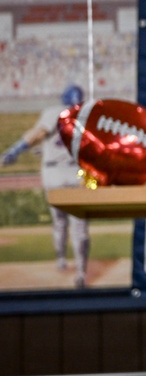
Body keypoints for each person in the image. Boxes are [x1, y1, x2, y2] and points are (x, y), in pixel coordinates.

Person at [1, 84, 90, 288]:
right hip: (74, 173)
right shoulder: (85, 117)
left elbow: (38, 134)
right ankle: (81, 271)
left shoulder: (54, 112)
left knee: (60, 222)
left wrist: (15, 150)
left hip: (54, 174)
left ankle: (62, 260)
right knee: (79, 227)